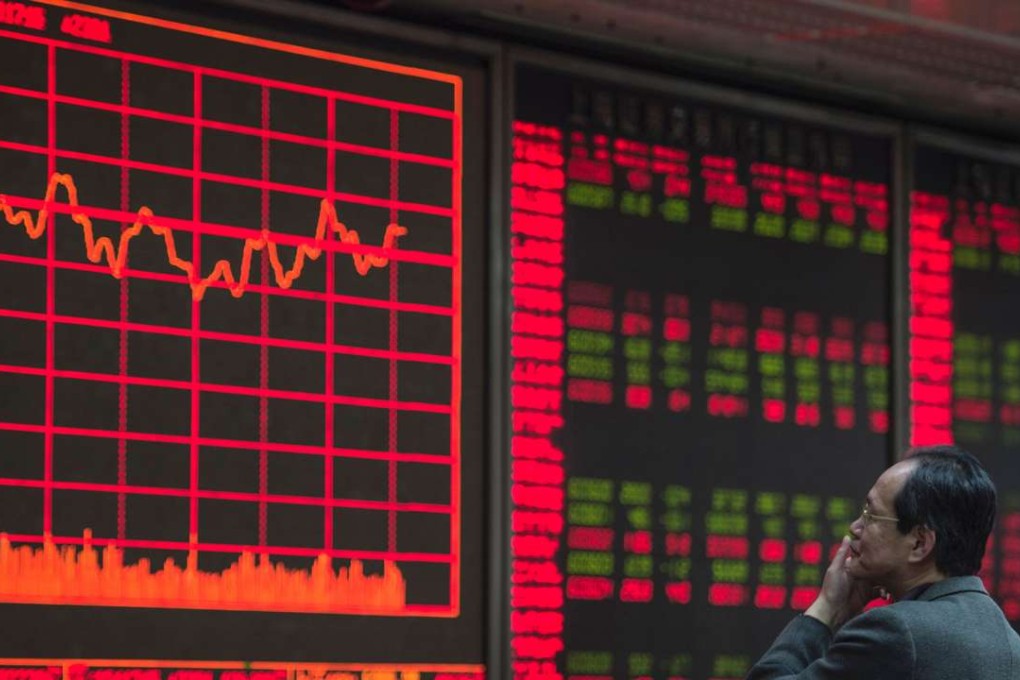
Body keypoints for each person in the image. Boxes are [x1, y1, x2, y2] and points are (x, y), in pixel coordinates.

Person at [747, 444, 1020, 679]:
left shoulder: (895, 632)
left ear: (919, 543)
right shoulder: (1010, 642)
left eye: (871, 515)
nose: (855, 527)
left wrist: (826, 608)